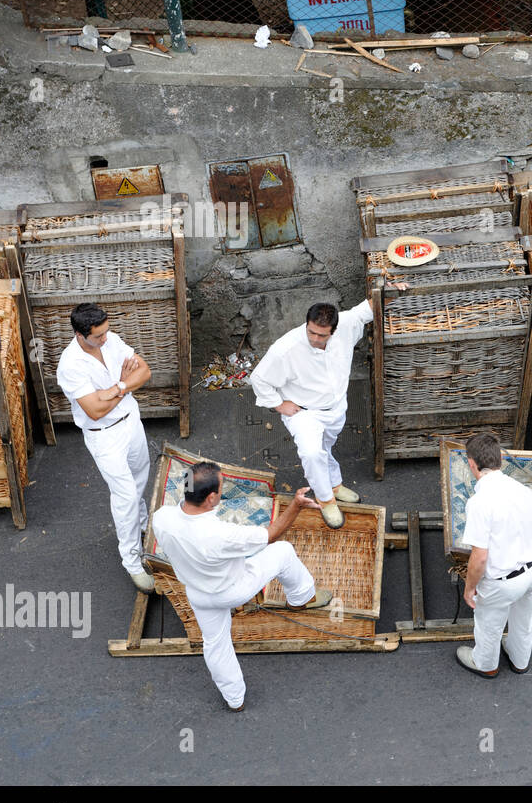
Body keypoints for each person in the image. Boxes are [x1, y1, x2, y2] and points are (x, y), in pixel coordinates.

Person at [152, 462, 332, 712]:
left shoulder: (162, 517)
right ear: (211, 497)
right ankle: (301, 598)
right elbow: (270, 536)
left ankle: (235, 700)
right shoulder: (220, 534)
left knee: (215, 645)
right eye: (221, 486)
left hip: (198, 594)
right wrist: (296, 505)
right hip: (234, 588)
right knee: (283, 551)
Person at [250, 298, 379, 529]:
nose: (315, 339)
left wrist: (392, 286)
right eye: (311, 332)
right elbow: (259, 378)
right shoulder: (285, 349)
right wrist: (279, 404)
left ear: (334, 330)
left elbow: (366, 309)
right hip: (304, 413)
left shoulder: (347, 325)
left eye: (322, 335)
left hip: (336, 407)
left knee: (324, 449)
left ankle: (335, 484)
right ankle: (325, 499)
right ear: (307, 324)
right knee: (311, 453)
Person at [55, 303, 155, 593]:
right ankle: (132, 562)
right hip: (104, 435)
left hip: (131, 422)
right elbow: (94, 412)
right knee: (124, 496)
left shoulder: (110, 338)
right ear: (79, 334)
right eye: (98, 336)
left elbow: (145, 371)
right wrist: (126, 385)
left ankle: (142, 526)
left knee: (139, 480)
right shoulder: (70, 365)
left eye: (106, 332)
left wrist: (117, 388)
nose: (105, 339)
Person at [455, 433, 532, 679]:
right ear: (500, 460)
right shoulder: (523, 490)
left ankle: (486, 664)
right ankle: (519, 660)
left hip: (503, 582)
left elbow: (480, 557)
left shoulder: (479, 503)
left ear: (472, 464)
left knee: (489, 626)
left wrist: (469, 588)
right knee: (523, 622)